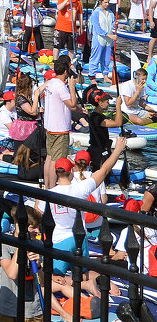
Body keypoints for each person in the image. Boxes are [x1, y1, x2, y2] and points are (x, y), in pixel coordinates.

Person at [39, 137, 127, 274]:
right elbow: (104, 170)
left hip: (59, 241)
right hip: (79, 238)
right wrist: (117, 151)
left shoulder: (48, 195)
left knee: (55, 276)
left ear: (56, 173)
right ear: (71, 172)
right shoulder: (80, 189)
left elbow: (36, 214)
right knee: (82, 274)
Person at [43, 54, 81, 188]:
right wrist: (71, 87)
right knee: (56, 160)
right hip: (59, 129)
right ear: (65, 71)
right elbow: (71, 104)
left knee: (49, 157)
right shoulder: (60, 86)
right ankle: (52, 188)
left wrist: (80, 110)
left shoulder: (51, 83)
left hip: (50, 126)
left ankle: (47, 186)